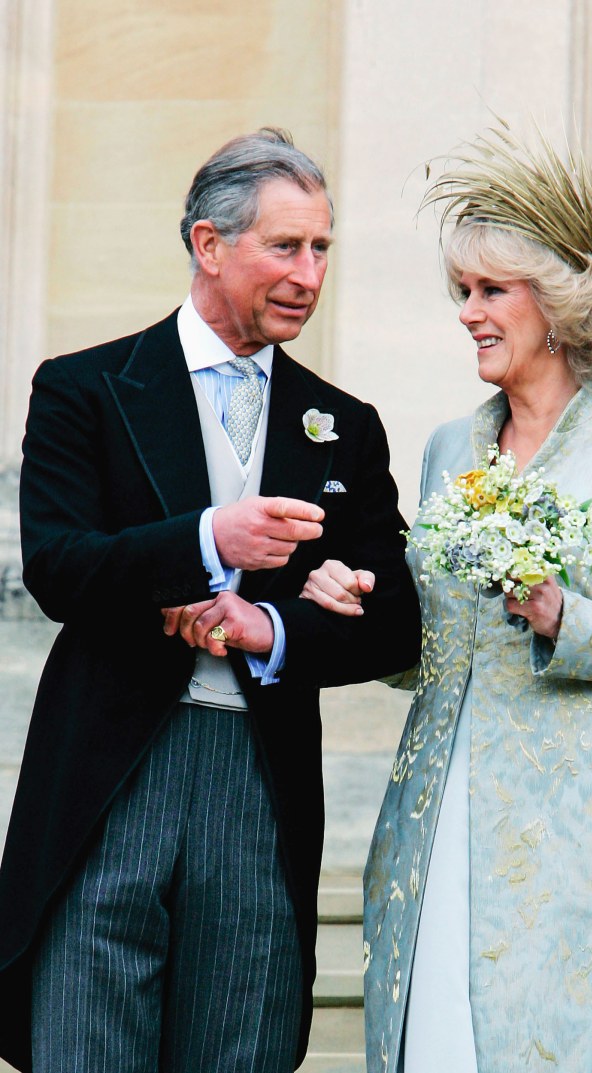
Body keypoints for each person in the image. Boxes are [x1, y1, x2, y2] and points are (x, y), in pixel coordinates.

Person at [300, 121, 592, 1072]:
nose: (469, 312)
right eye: (463, 291)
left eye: (492, 291)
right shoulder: (449, 451)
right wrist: (357, 601)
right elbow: (429, 649)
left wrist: (561, 615)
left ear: (559, 304)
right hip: (433, 809)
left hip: (578, 825)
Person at [0, 126, 420, 1073]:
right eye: (285, 246)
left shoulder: (345, 424)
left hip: (257, 783)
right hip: (111, 777)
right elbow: (59, 566)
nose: (309, 274)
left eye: (322, 249)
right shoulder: (85, 389)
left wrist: (273, 621)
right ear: (209, 244)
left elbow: (397, 617)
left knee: (242, 1047)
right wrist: (206, 541)